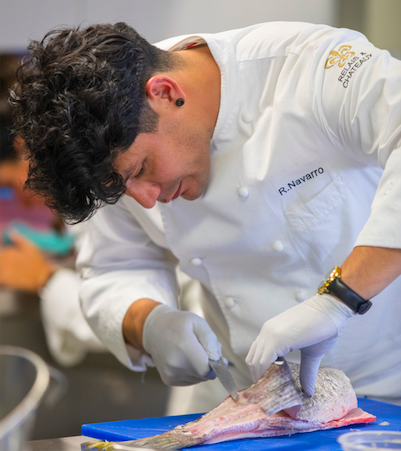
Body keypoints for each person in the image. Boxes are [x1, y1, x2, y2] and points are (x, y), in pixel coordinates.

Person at [10, 21, 401, 411]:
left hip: (386, 384)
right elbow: (115, 268)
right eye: (122, 189)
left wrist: (339, 301)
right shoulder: (104, 130)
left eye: (141, 169)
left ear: (165, 93)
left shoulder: (310, 67)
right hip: (245, 400)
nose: (146, 200)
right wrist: (149, 323)